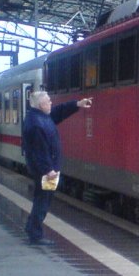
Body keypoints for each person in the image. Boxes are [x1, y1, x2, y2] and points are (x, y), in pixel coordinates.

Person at [21, 90, 92, 245]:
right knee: (42, 200)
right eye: (48, 101)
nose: (51, 103)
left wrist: (77, 104)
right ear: (41, 104)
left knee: (42, 199)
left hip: (47, 169)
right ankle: (35, 234)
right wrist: (48, 170)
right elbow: (39, 151)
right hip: (45, 171)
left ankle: (32, 228)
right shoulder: (36, 124)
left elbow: (58, 112)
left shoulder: (40, 117)